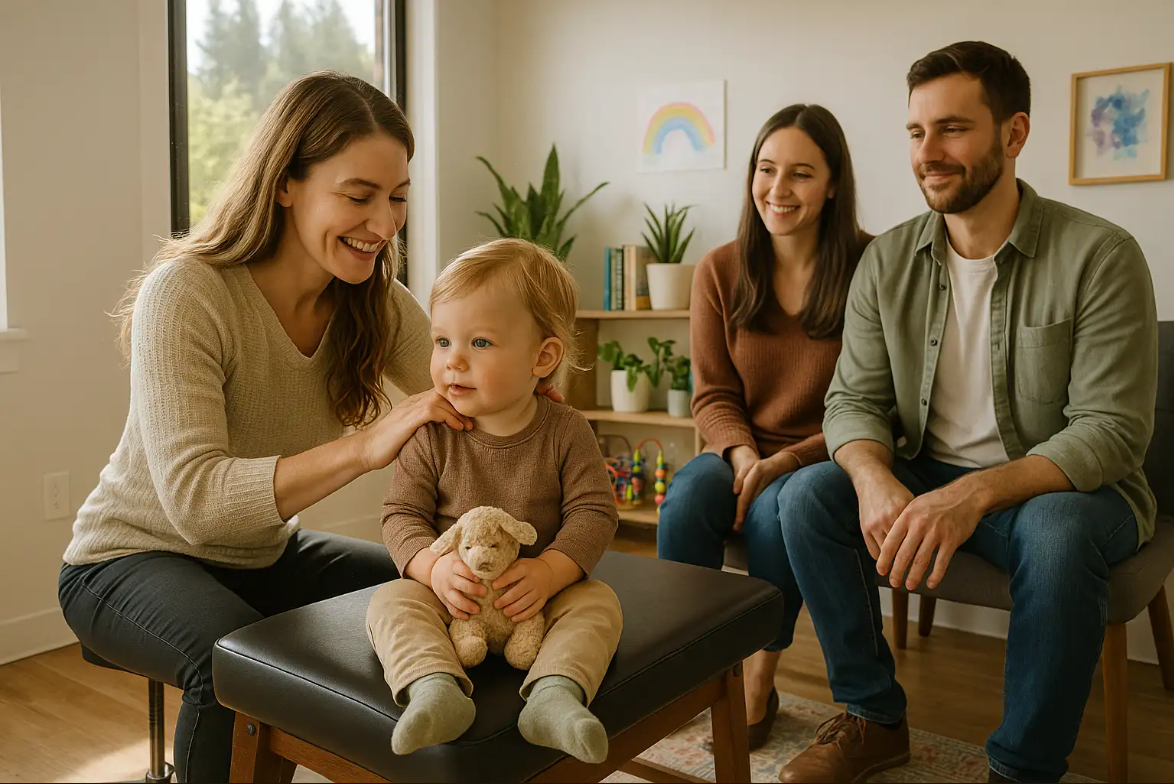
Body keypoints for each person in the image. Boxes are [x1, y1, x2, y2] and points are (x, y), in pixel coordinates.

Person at [56, 72, 554, 783]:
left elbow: (479, 409)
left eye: (398, 200)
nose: (383, 225)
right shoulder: (188, 294)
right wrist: (364, 447)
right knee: (229, 660)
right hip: (127, 559)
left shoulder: (376, 303)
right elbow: (197, 505)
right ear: (285, 182)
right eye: (358, 197)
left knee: (443, 593)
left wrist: (538, 415)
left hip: (260, 554)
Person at [777, 42, 1157, 784]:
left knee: (1056, 534)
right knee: (807, 497)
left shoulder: (1101, 255)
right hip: (928, 470)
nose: (929, 153)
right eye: (917, 133)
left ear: (1014, 135)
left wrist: (972, 494)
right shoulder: (886, 261)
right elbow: (853, 401)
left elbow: (1111, 431)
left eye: (953, 129)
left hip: (1063, 493)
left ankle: (1022, 768)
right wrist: (873, 478)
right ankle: (873, 717)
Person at [655, 104, 870, 748]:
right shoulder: (719, 269)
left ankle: (758, 674)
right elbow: (713, 394)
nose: (778, 190)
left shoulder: (872, 266)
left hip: (831, 453)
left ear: (833, 183)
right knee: (685, 500)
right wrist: (744, 455)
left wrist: (783, 463)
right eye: (766, 169)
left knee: (779, 509)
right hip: (741, 447)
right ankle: (681, 665)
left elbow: (874, 403)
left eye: (800, 174)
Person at [366, 238, 622, 764]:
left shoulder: (566, 430)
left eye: (479, 343)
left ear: (542, 357)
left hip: (538, 601)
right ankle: (434, 687)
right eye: (441, 342)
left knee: (599, 605)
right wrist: (432, 569)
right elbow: (401, 515)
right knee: (389, 602)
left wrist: (551, 571)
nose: (452, 361)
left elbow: (594, 511)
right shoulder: (431, 433)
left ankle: (554, 695)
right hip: (452, 601)